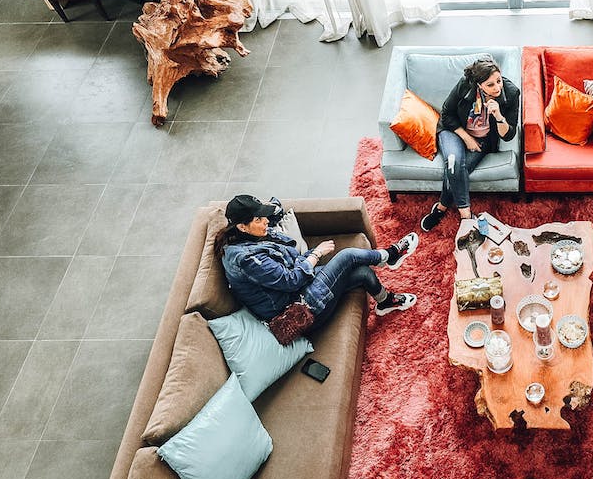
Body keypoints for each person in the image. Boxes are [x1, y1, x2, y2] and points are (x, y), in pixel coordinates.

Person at [220, 194, 418, 329]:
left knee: (363, 272)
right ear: (242, 227)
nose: (265, 222)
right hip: (296, 311)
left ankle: (385, 302)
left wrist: (271, 213)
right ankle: (389, 256)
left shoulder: (250, 236)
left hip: (298, 287)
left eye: (263, 216)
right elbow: (290, 281)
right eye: (258, 219)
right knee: (347, 256)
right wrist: (315, 255)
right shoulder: (246, 259)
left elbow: (287, 258)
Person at [419, 55, 521, 233]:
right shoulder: (465, 84)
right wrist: (466, 137)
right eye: (490, 84)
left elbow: (508, 135)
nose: (497, 87)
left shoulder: (511, 94)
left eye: (499, 81)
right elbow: (446, 113)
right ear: (479, 84)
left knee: (458, 168)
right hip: (454, 131)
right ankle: (466, 216)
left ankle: (442, 206)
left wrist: (498, 117)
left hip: (483, 140)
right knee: (454, 161)